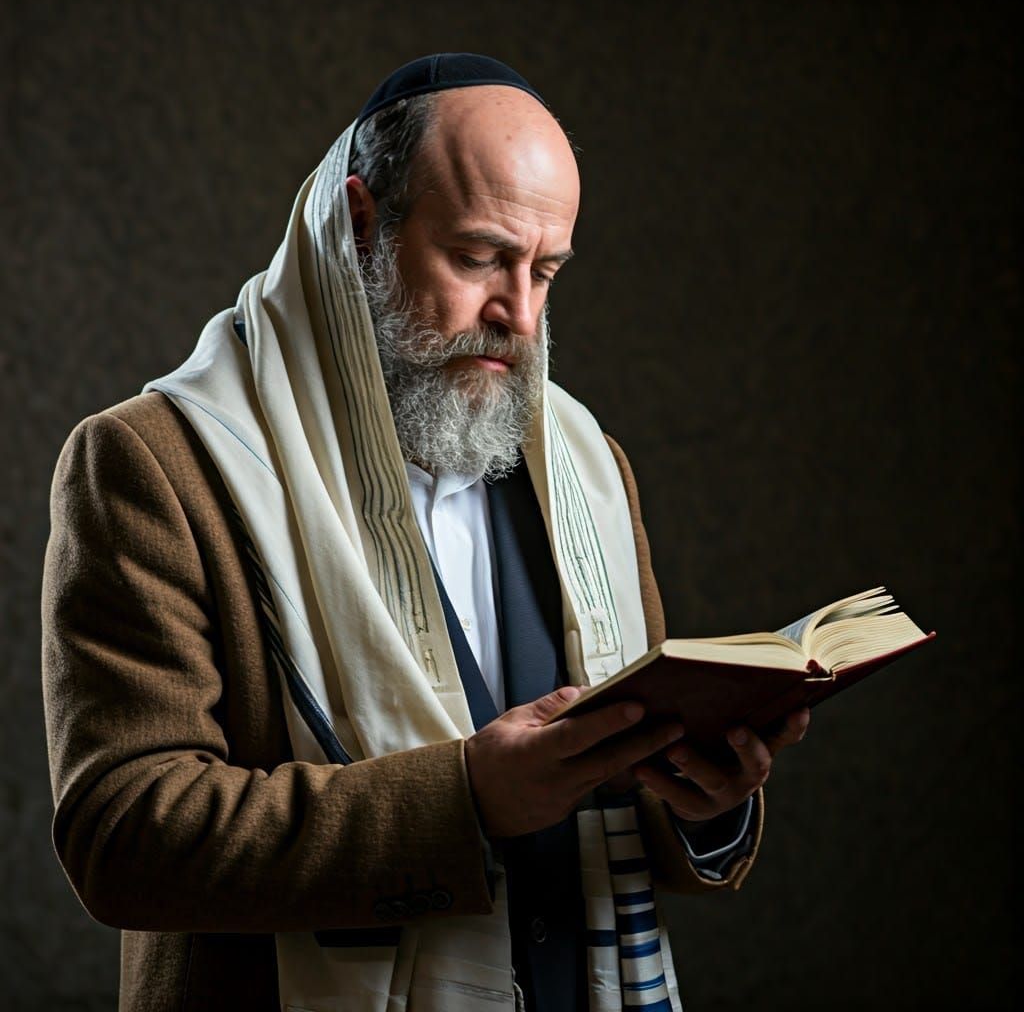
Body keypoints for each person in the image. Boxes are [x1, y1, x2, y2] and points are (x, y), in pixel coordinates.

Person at [42, 54, 808, 1012]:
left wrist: (709, 799)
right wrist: (466, 802)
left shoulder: (589, 467)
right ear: (359, 222)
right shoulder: (157, 462)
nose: (518, 316)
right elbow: (124, 840)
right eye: (482, 258)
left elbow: (631, 823)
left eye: (546, 272)